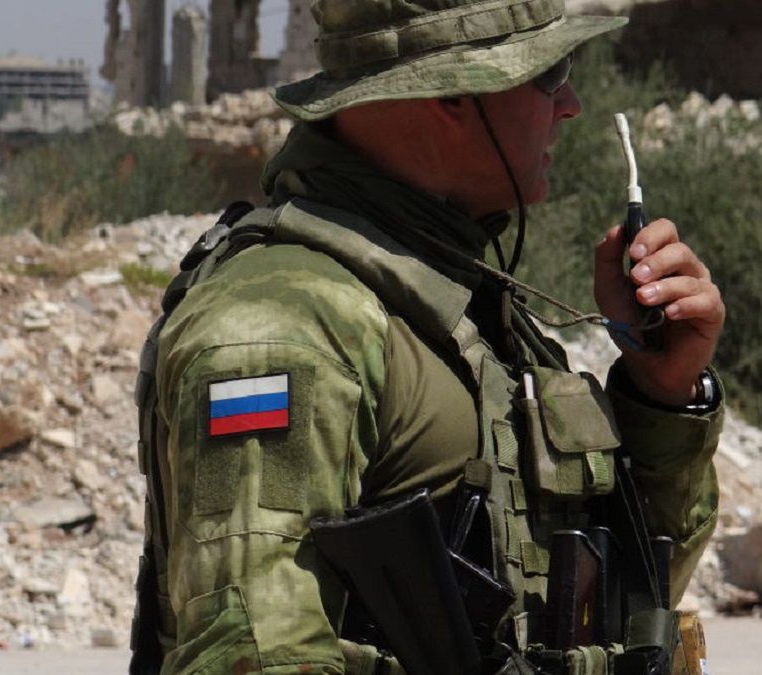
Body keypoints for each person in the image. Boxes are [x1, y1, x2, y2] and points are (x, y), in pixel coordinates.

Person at [130, 1, 725, 673]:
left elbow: (629, 611)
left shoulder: (457, 305)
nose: (571, 105)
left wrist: (662, 393)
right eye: (550, 73)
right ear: (451, 91)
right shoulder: (279, 328)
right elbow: (253, 656)